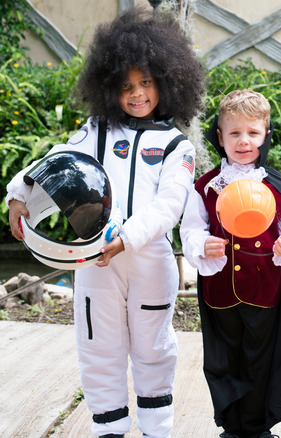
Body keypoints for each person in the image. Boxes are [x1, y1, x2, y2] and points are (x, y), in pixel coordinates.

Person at [5, 7, 204, 437]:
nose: (136, 94)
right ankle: (108, 429)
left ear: (167, 83)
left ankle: (157, 429)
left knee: (153, 349)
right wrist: (19, 193)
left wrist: (128, 237)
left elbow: (169, 205)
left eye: (146, 83)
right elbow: (55, 161)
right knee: (98, 347)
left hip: (149, 259)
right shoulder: (95, 130)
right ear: (108, 85)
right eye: (126, 85)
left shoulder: (176, 146)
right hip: (95, 259)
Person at [180, 89, 281, 438]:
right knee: (224, 361)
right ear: (220, 137)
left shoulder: (276, 186)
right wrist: (200, 245)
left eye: (252, 132)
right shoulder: (205, 188)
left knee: (260, 360)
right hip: (219, 290)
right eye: (234, 133)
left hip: (264, 288)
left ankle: (255, 430)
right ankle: (231, 426)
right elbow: (190, 229)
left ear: (265, 135)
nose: (243, 141)